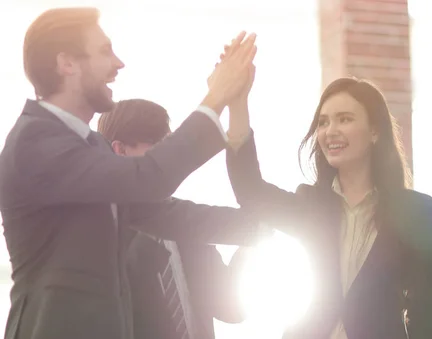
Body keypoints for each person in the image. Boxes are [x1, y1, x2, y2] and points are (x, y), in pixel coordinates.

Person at [0, 7, 257, 339]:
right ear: (67, 64)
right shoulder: (35, 142)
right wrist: (216, 97)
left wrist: (265, 223)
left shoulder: (91, 147)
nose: (118, 63)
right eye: (105, 51)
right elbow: (148, 178)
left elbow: (165, 213)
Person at [224, 68, 432, 338]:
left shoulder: (415, 210)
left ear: (374, 132)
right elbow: (251, 191)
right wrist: (237, 104)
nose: (330, 131)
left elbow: (426, 311)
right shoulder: (310, 203)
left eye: (344, 119)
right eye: (323, 122)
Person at [97, 99, 250, 339]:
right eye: (159, 147)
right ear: (121, 150)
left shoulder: (188, 229)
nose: (170, 160)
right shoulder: (96, 239)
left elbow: (232, 309)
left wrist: (249, 244)